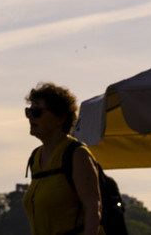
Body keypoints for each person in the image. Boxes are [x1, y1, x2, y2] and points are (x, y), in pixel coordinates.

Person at [22, 83, 101, 235]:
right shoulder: (36, 157)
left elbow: (94, 208)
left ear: (60, 118)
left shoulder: (77, 154)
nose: (30, 116)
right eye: (29, 111)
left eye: (37, 111)